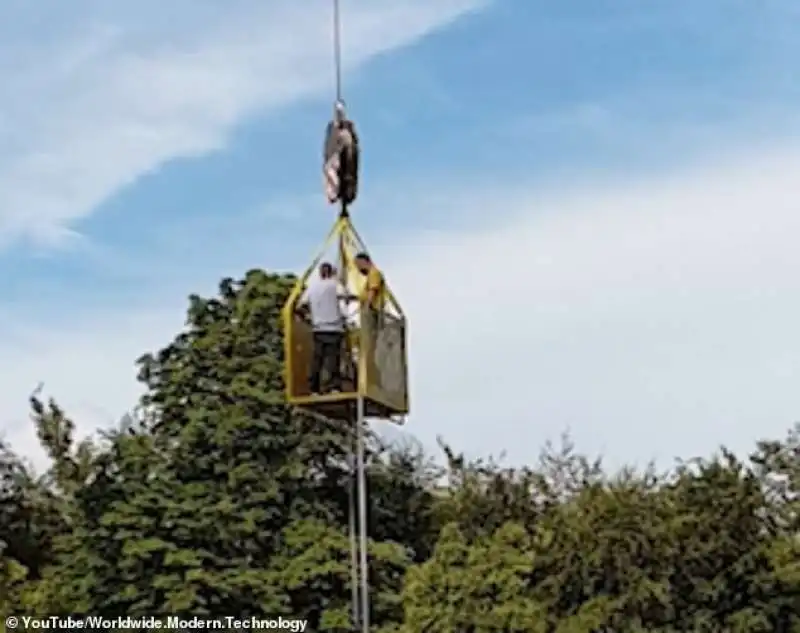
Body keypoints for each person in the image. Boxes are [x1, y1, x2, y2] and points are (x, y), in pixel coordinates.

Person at [297, 262, 346, 395]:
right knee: (333, 358)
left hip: (318, 328)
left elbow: (300, 306)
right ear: (331, 272)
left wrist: (308, 318)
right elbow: (344, 298)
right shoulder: (335, 284)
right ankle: (333, 387)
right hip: (334, 327)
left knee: (317, 359)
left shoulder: (312, 287)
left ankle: (314, 388)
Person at [354, 252, 385, 386]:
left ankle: (371, 375)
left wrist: (366, 307)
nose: (358, 269)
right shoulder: (371, 275)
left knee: (369, 345)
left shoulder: (374, 273)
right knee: (367, 345)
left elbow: (373, 291)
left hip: (372, 312)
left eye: (358, 265)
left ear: (364, 261)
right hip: (370, 312)